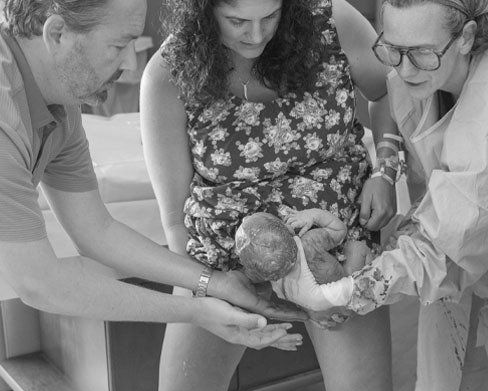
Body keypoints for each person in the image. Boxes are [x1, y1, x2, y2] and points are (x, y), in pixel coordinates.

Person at [141, 0, 399, 391]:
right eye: (237, 21)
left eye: (271, 16)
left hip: (334, 256)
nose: (256, 35)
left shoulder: (332, 24)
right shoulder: (167, 75)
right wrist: (213, 289)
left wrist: (386, 170)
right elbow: (175, 223)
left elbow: (390, 87)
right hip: (223, 263)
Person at [0, 0, 306, 353]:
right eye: (119, 46)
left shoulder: (60, 101)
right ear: (56, 33)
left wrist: (215, 283)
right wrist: (194, 311)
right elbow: (40, 283)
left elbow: (96, 231)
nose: (131, 62)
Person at [277, 0, 488, 391]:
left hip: (468, 259)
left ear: (468, 38)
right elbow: (434, 214)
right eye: (391, 49)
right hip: (476, 271)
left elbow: (444, 247)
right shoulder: (415, 78)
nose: (404, 67)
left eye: (420, 52)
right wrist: (380, 180)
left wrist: (339, 291)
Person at [235, 209, 371, 328]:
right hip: (352, 293)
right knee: (356, 247)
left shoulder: (276, 283)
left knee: (304, 301)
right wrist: (311, 215)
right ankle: (371, 274)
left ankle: (322, 318)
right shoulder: (310, 242)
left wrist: (313, 313)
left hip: (319, 308)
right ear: (288, 229)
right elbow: (340, 230)